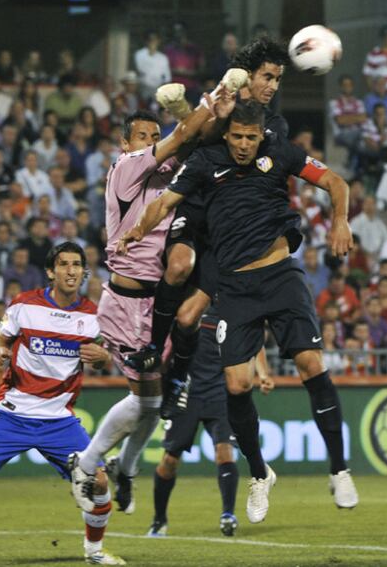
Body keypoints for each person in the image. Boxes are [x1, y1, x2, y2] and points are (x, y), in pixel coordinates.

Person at [118, 100, 359, 519]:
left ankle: (339, 469)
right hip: (234, 287)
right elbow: (164, 203)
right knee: (236, 386)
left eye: (251, 137)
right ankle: (260, 473)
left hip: (280, 275)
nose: (244, 145)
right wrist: (137, 229)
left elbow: (336, 182)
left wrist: (341, 220)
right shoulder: (205, 162)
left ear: (261, 133)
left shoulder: (280, 150)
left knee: (311, 364)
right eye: (237, 137)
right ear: (226, 134)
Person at [68, 73, 245, 515]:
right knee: (147, 399)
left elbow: (195, 139)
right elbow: (185, 133)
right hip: (127, 302)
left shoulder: (170, 176)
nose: (152, 143)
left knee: (157, 401)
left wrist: (216, 114)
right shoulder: (126, 169)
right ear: (127, 145)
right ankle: (88, 463)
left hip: (159, 303)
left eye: (154, 135)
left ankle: (124, 469)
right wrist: (218, 91)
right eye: (143, 137)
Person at [124, 38, 289, 418]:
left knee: (188, 318)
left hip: (227, 229)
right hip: (196, 199)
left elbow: (247, 147)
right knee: (178, 265)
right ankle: (152, 348)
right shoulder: (217, 98)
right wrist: (204, 112)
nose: (272, 86)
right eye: (267, 76)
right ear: (248, 74)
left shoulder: (273, 123)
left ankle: (178, 379)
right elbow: (192, 136)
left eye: (278, 79)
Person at [0, 242, 125, 566]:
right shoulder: (24, 306)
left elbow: (106, 356)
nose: (71, 271)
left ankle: (94, 552)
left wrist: (103, 358)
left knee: (100, 483)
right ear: (50, 271)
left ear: (84, 272)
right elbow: (1, 340)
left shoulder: (93, 317)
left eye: (77, 265)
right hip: (13, 411)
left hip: (59, 418)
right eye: (63, 264)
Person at [145, 302, 274, 537]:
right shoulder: (189, 307)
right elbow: (170, 346)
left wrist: (263, 374)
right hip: (188, 393)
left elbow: (254, 344)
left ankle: (228, 514)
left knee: (224, 452)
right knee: (169, 461)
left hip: (220, 393)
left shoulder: (234, 311)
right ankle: (159, 519)